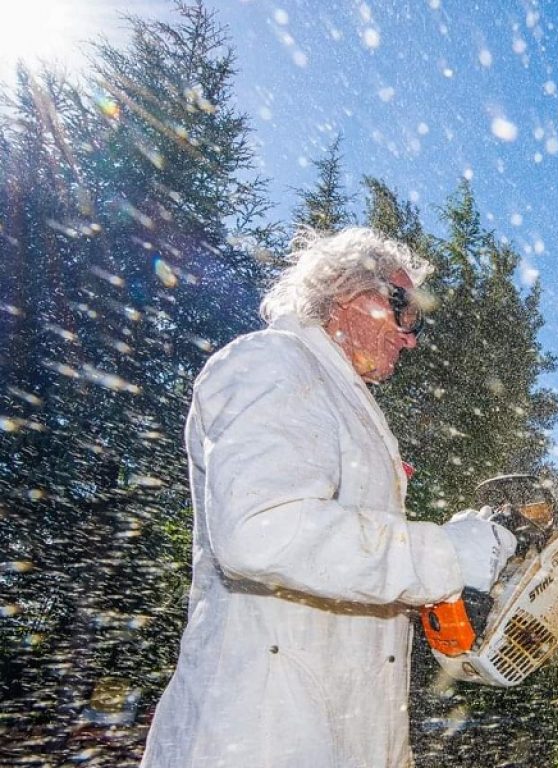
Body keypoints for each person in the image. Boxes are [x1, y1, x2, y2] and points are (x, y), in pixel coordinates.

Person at [140, 227, 516, 767]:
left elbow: (339, 570)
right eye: (404, 310)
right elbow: (261, 532)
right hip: (263, 740)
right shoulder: (275, 361)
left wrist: (437, 580)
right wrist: (443, 553)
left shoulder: (340, 398)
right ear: (347, 291)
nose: (411, 336)